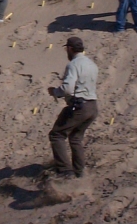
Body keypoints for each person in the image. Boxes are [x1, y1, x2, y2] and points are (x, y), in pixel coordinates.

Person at [47, 37, 98, 179]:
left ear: (69, 48)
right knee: (75, 138)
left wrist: (55, 92)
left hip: (79, 106)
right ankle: (79, 172)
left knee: (56, 135)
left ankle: (65, 172)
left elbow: (68, 89)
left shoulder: (73, 64)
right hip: (92, 106)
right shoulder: (92, 64)